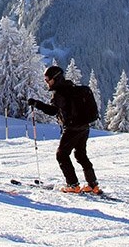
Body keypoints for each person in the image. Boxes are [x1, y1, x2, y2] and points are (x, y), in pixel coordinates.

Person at [27, 65, 101, 194]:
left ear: (56, 78)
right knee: (80, 154)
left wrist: (37, 104)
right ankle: (93, 185)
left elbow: (52, 111)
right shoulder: (73, 89)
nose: (47, 82)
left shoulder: (60, 93)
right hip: (84, 127)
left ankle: (73, 185)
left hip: (72, 128)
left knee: (61, 155)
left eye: (48, 79)